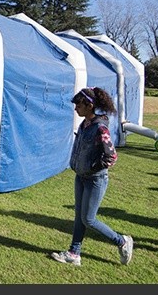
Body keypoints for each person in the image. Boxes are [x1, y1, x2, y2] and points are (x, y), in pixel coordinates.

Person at [50, 87, 134, 267]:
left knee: (88, 219)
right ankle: (74, 253)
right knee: (80, 217)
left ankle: (122, 241)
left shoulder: (100, 128)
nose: (75, 109)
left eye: (78, 105)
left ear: (89, 105)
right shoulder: (84, 124)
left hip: (95, 180)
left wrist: (93, 167)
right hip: (81, 178)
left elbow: (111, 156)